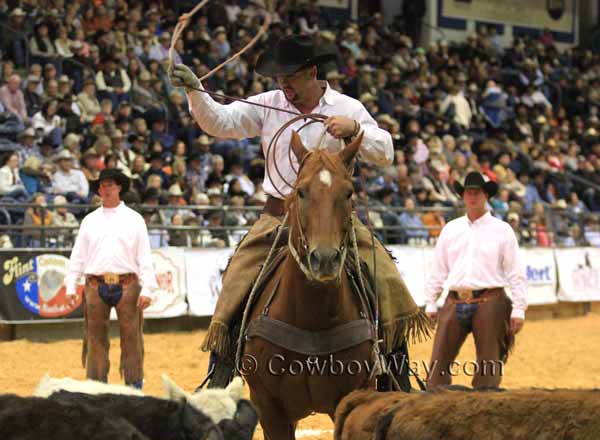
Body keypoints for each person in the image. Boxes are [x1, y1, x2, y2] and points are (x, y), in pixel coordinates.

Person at [170, 34, 429, 390]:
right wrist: (196, 93)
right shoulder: (267, 103)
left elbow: (384, 151)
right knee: (236, 279)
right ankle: (222, 368)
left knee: (386, 277)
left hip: (333, 220)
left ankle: (397, 375)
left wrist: (356, 130)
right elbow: (221, 122)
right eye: (280, 81)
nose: (284, 88)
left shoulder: (347, 107)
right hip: (278, 217)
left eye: (290, 79)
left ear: (311, 72)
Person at [424, 172, 527, 389]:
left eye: (477, 192)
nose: (472, 196)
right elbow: (438, 268)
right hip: (454, 299)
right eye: (468, 192)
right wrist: (431, 301)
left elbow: (515, 271)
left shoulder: (502, 230)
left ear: (485, 195)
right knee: (436, 368)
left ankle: (484, 411)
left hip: (491, 300)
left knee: (488, 367)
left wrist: (519, 308)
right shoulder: (451, 229)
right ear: (463, 196)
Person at [64, 169, 158, 388]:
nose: (104, 189)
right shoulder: (89, 221)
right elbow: (78, 255)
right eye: (101, 185)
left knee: (132, 337)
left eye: (109, 185)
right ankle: (97, 386)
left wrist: (148, 290)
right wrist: (71, 284)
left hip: (127, 284)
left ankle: (134, 385)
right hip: (95, 284)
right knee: (95, 339)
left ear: (119, 188)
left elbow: (144, 256)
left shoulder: (135, 220)